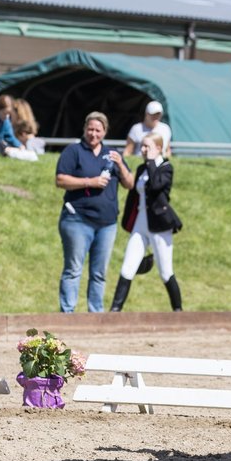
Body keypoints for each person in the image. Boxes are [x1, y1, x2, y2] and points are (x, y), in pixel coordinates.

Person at [55, 111, 132, 313]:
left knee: (99, 273)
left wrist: (121, 165)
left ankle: (96, 313)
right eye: (90, 129)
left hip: (107, 224)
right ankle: (68, 313)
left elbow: (129, 184)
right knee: (73, 270)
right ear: (84, 129)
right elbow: (61, 180)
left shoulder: (112, 154)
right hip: (77, 220)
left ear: (105, 131)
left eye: (98, 130)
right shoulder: (73, 151)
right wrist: (90, 182)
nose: (93, 133)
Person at [110, 133, 183, 312]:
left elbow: (157, 186)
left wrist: (151, 162)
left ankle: (178, 311)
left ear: (158, 148)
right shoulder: (142, 168)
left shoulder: (165, 167)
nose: (143, 150)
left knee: (165, 271)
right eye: (142, 146)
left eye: (147, 147)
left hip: (159, 224)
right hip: (140, 223)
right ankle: (114, 310)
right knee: (128, 267)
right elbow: (134, 193)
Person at [0, 94, 37, 160]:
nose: (7, 116)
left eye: (9, 114)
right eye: (5, 113)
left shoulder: (5, 119)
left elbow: (10, 137)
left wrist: (20, 145)